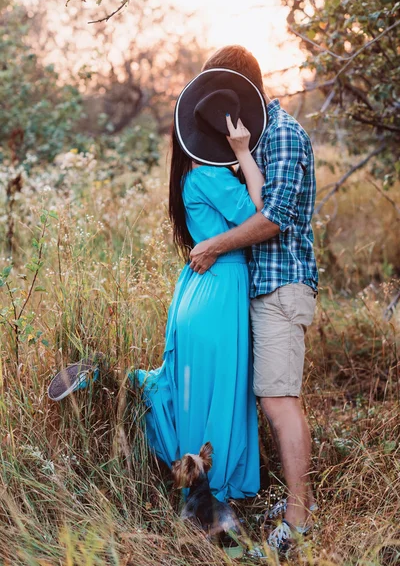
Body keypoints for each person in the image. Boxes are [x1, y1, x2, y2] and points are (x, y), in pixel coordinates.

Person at [48, 68, 267, 504]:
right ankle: (205, 490)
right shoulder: (213, 175)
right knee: (215, 390)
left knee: (188, 387)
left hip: (195, 289)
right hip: (221, 289)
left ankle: (113, 381)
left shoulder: (189, 175)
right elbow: (261, 212)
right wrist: (243, 151)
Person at [189, 46, 319, 553]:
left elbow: (273, 218)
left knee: (280, 402)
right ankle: (292, 504)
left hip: (283, 286)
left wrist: (214, 247)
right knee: (271, 397)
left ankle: (300, 523)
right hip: (262, 287)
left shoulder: (283, 133)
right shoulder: (257, 139)